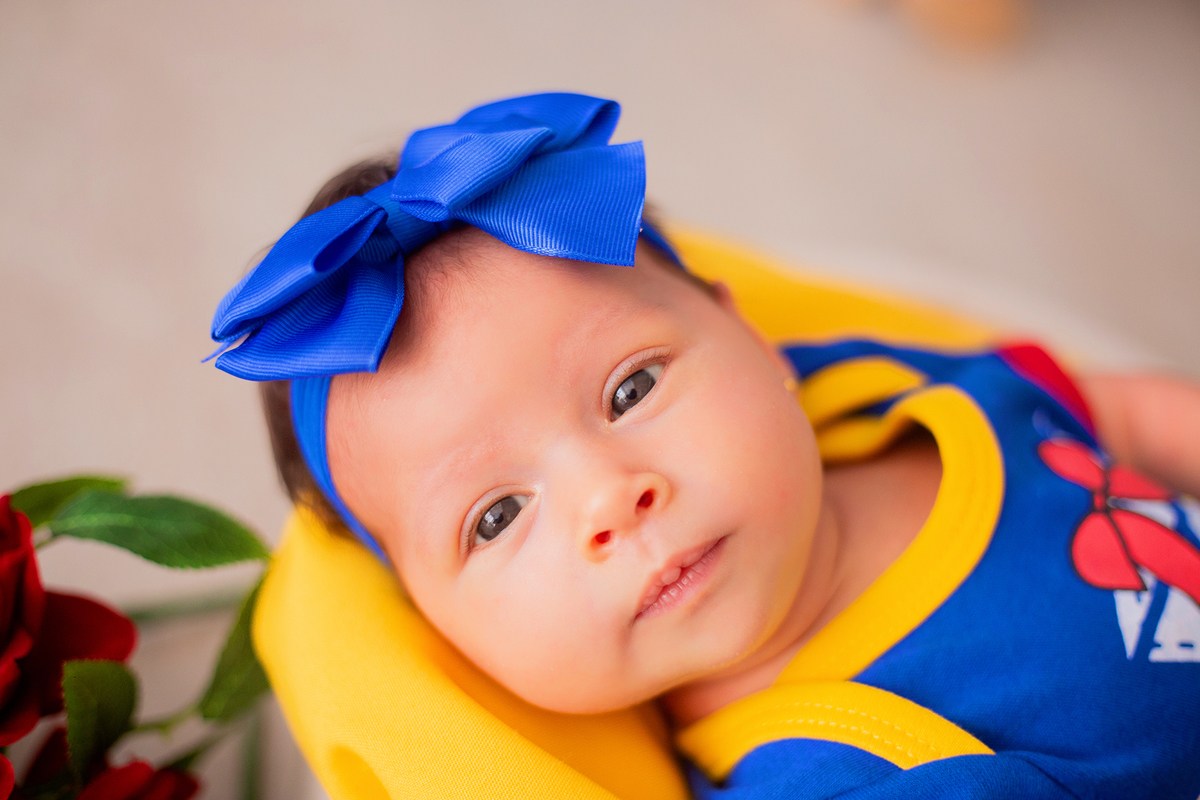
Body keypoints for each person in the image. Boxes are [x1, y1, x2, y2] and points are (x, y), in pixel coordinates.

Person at [209, 93, 1200, 798]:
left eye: (630, 387)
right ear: (446, 635)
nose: (609, 497)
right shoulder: (841, 767)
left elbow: (1120, 415)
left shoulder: (886, 391)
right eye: (496, 515)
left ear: (756, 339)